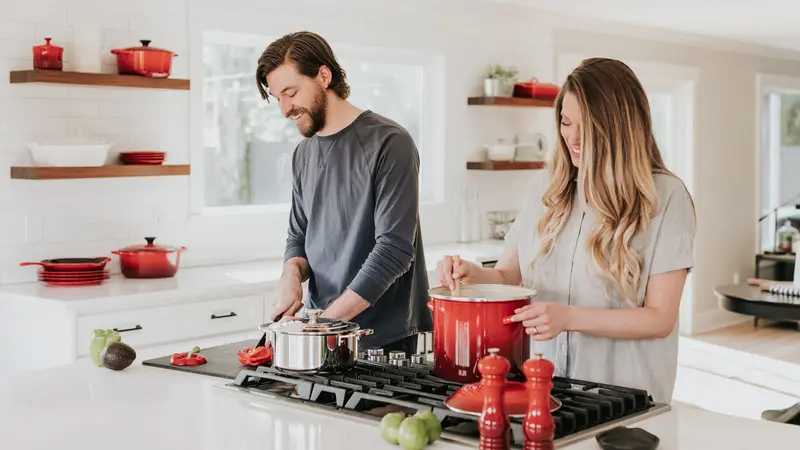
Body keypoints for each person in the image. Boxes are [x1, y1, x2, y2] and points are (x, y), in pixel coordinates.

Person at [436, 57, 695, 403]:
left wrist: (570, 318)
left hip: (623, 395)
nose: (572, 137)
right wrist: (473, 275)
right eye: (565, 122)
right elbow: (509, 276)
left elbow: (660, 318)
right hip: (544, 387)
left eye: (585, 125)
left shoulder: (665, 198)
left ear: (619, 127)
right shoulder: (547, 187)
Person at [256, 31, 432, 353]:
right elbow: (299, 236)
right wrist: (291, 276)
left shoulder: (390, 143)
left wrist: (323, 326)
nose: (284, 109)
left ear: (324, 76)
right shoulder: (303, 153)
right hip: (319, 329)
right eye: (276, 97)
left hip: (382, 341)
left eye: (291, 92)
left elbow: (394, 250)